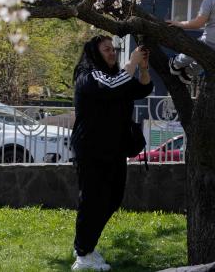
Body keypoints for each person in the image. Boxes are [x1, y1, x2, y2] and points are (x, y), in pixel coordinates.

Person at [70, 35, 153, 271]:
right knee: (92, 200)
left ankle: (86, 245)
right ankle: (83, 255)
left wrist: (143, 67)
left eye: (113, 49)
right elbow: (111, 85)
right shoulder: (88, 75)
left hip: (114, 150)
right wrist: (132, 62)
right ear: (95, 53)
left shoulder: (117, 78)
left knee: (113, 199)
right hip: (91, 149)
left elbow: (144, 88)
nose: (112, 53)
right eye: (106, 49)